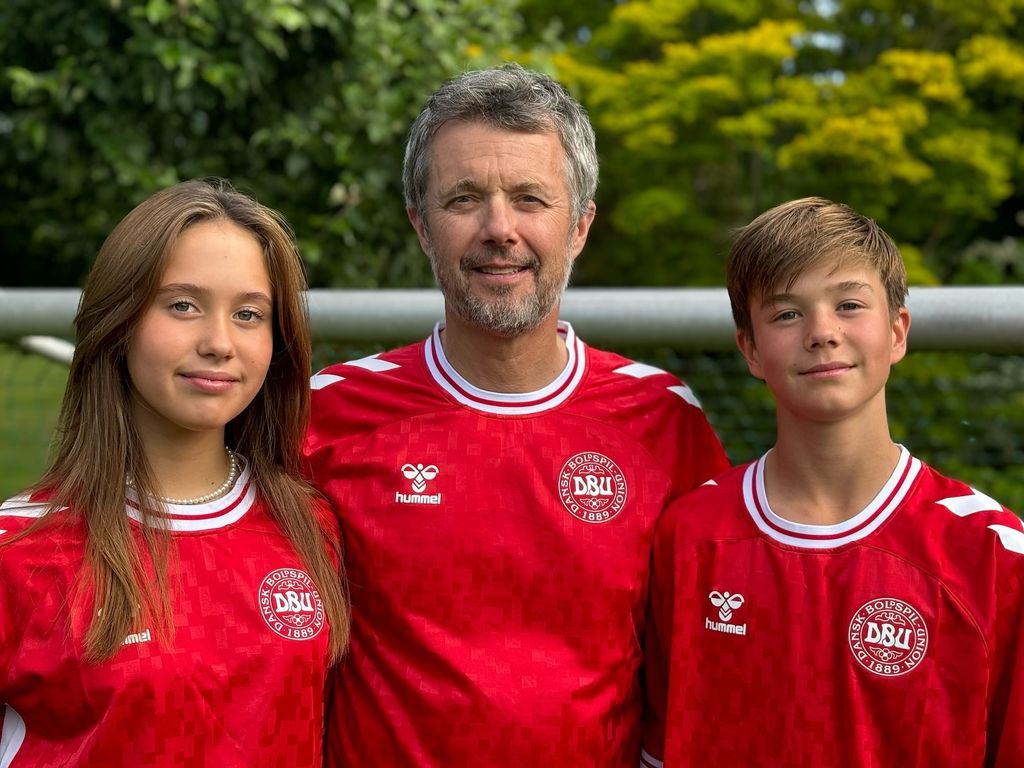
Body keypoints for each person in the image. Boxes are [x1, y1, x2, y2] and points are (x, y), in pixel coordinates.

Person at [302, 63, 729, 766]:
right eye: (465, 198)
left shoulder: (660, 418)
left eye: (530, 198)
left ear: (581, 226)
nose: (499, 229)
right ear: (421, 225)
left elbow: (702, 661)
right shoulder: (332, 414)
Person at [641, 197, 1024, 767]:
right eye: (786, 314)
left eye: (848, 304)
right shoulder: (689, 534)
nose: (822, 332)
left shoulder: (991, 550)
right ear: (749, 347)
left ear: (897, 332)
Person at [0, 179, 349, 767]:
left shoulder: (309, 525)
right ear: (121, 320)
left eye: (248, 314)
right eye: (183, 305)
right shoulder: (22, 552)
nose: (218, 342)